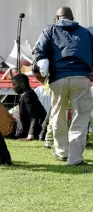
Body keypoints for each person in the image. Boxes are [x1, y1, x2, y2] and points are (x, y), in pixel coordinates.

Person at [33, 6, 93, 165]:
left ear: (57, 17)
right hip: (81, 77)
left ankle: (62, 152)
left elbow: (39, 51)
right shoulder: (85, 33)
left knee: (57, 114)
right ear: (72, 17)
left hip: (58, 78)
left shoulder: (50, 30)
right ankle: (75, 158)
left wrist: (40, 68)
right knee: (80, 117)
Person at [11, 74, 47, 140]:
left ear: (22, 85)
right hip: (28, 130)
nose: (12, 87)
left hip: (36, 131)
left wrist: (30, 136)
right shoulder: (28, 94)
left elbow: (34, 117)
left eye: (14, 85)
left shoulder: (28, 96)